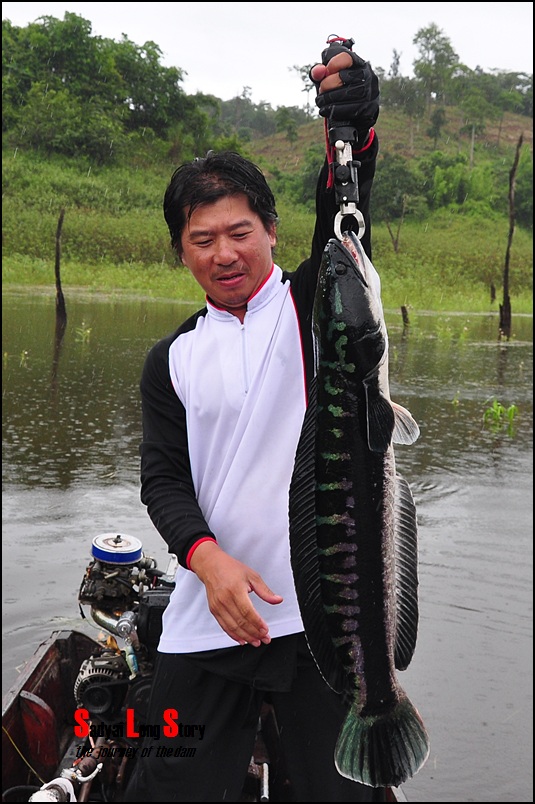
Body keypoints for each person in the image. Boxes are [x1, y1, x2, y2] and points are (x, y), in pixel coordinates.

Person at [126, 41, 381, 802]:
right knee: (161, 782)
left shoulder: (315, 311)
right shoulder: (171, 358)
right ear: (181, 252)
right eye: (201, 240)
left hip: (323, 624)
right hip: (204, 622)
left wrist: (353, 125)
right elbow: (162, 480)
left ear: (270, 229)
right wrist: (206, 559)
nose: (224, 253)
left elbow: (348, 209)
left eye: (239, 231)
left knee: (341, 791)